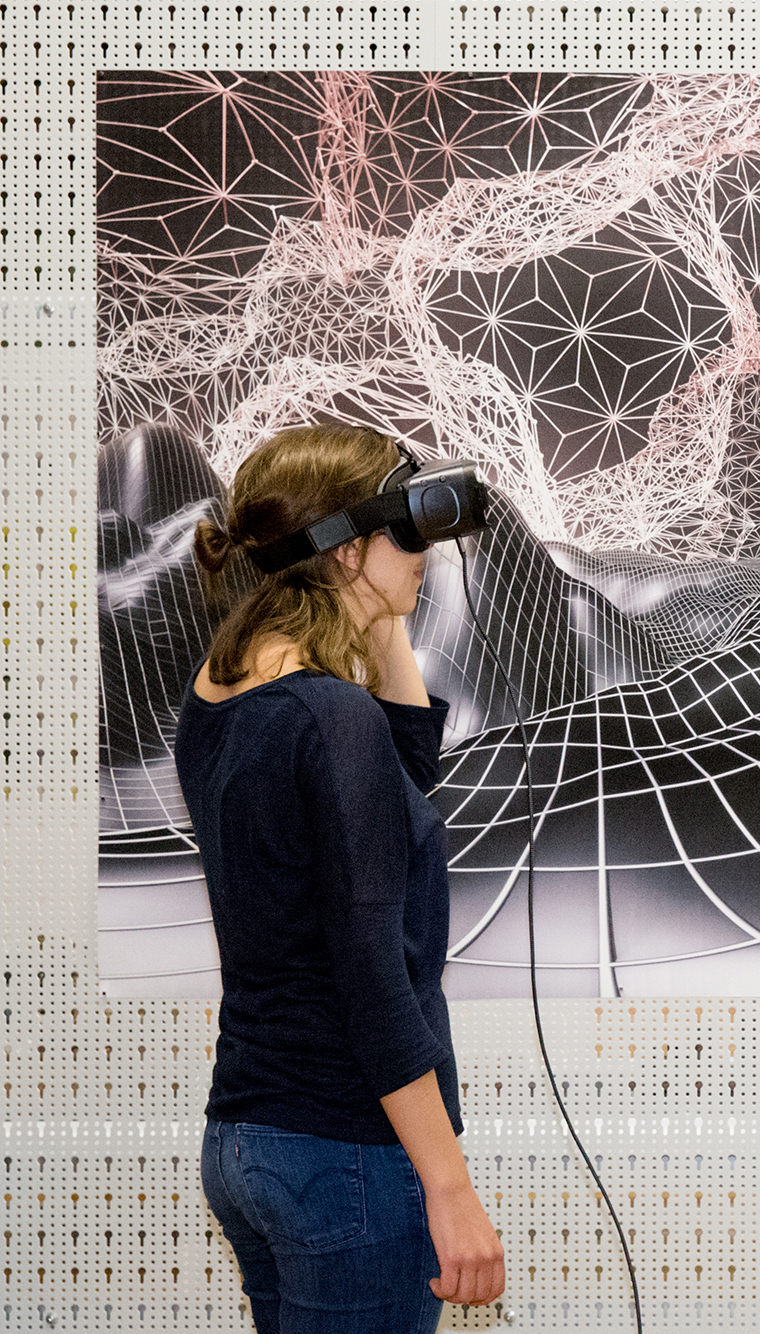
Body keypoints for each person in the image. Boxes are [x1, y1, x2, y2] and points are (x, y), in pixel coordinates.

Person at [179, 423, 506, 1332]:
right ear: (347, 546)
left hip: (251, 1141)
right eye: (408, 534)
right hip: (346, 1154)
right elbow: (371, 976)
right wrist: (451, 1191)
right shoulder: (329, 717)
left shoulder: (222, 691)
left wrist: (374, 602)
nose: (429, 558)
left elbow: (404, 767)